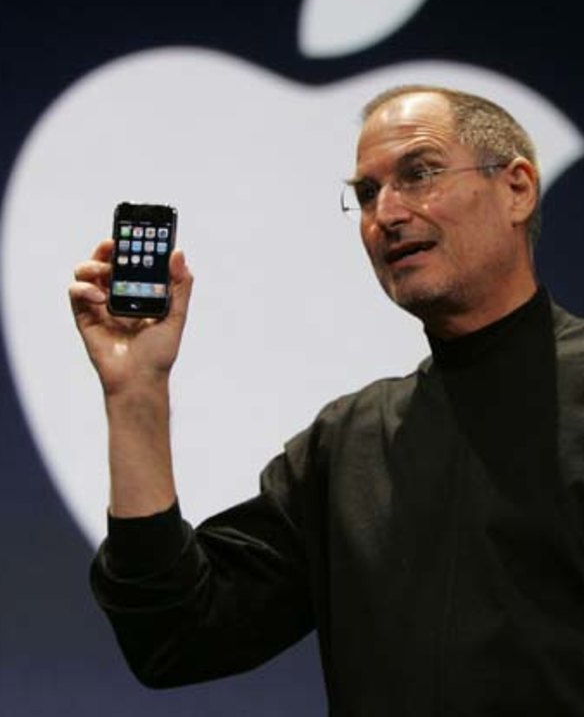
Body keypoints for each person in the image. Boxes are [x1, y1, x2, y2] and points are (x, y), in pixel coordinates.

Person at [70, 85, 584, 716]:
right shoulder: (350, 446)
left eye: (419, 174)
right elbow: (176, 635)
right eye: (367, 194)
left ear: (518, 189)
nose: (387, 214)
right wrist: (136, 392)